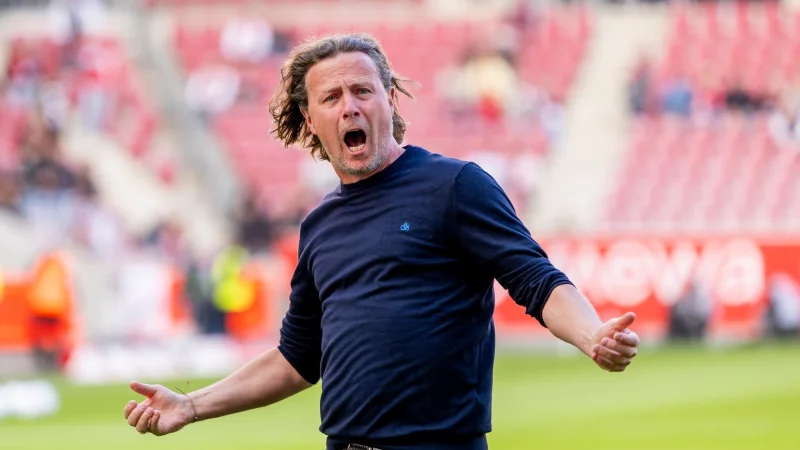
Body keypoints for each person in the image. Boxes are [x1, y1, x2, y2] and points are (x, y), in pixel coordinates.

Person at [123, 33, 640, 450]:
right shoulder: (319, 226)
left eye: (363, 91)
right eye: (331, 97)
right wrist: (192, 406)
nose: (349, 107)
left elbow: (536, 280)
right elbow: (297, 360)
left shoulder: (454, 186)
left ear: (389, 101)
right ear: (311, 120)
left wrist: (591, 335)